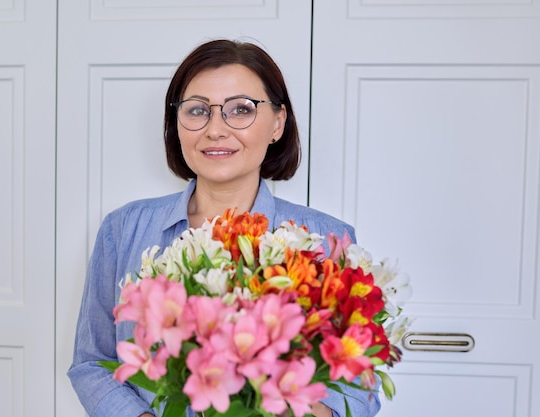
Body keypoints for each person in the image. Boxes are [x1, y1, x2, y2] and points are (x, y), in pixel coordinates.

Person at [68, 39, 381, 417]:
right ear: (177, 125)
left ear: (277, 123)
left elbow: (359, 387)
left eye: (240, 110)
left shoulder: (326, 240)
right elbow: (92, 362)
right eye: (198, 110)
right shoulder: (123, 230)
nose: (215, 129)